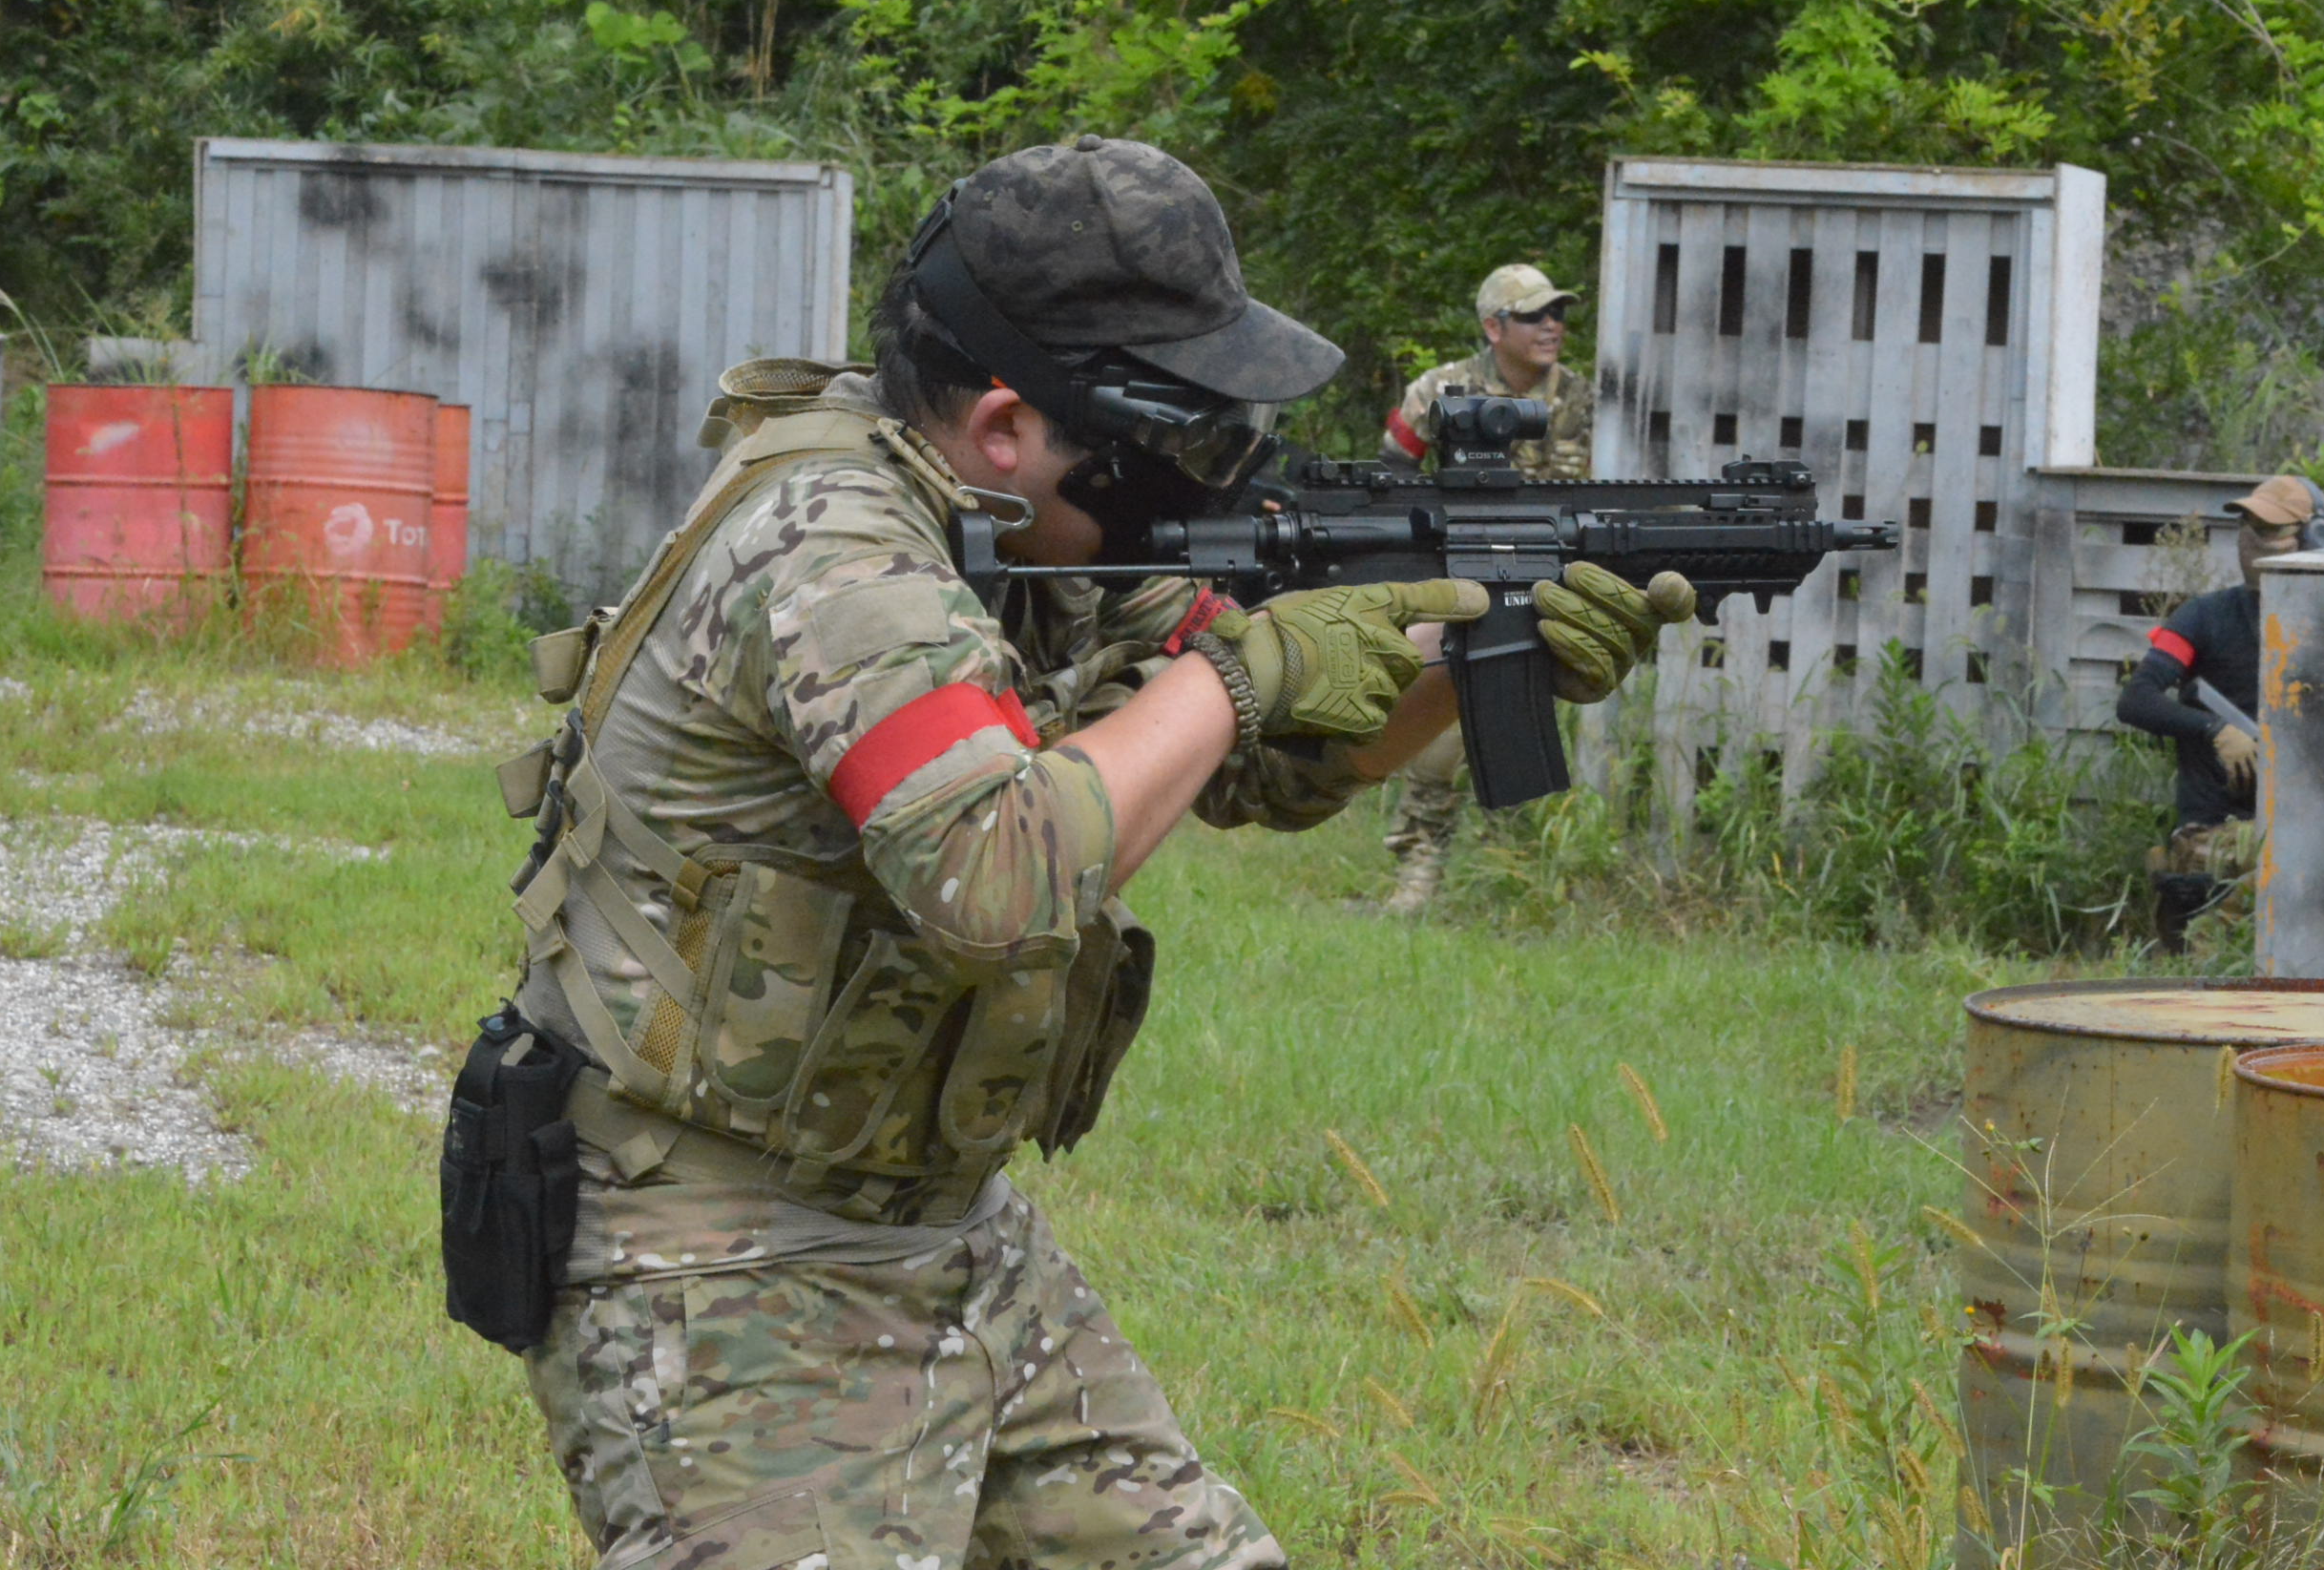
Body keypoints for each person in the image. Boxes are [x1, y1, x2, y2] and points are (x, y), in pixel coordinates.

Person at [470, 137, 1691, 1570]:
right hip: (716, 1248)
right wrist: (1247, 669)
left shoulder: (1032, 528)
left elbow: (1263, 760)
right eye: (1176, 434)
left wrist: (1469, 654)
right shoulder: (836, 549)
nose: (1201, 471)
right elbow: (996, 879)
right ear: (1007, 424)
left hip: (939, 1225)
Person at [1374, 262, 1595, 913]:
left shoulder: (1583, 399)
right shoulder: (1440, 390)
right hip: (1458, 578)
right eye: (1533, 315)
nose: (1551, 326)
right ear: (1494, 328)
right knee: (1440, 728)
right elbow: (1391, 477)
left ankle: (1522, 877)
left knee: (1533, 732)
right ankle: (1420, 867)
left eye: (1558, 313)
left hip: (1552, 583)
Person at [2113, 472, 2324, 945]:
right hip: (2214, 833)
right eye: (2247, 525)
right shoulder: (2204, 617)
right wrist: (2216, 729)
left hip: (2305, 827)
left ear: (2313, 538)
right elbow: (2137, 698)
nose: (2253, 539)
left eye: (2270, 528)